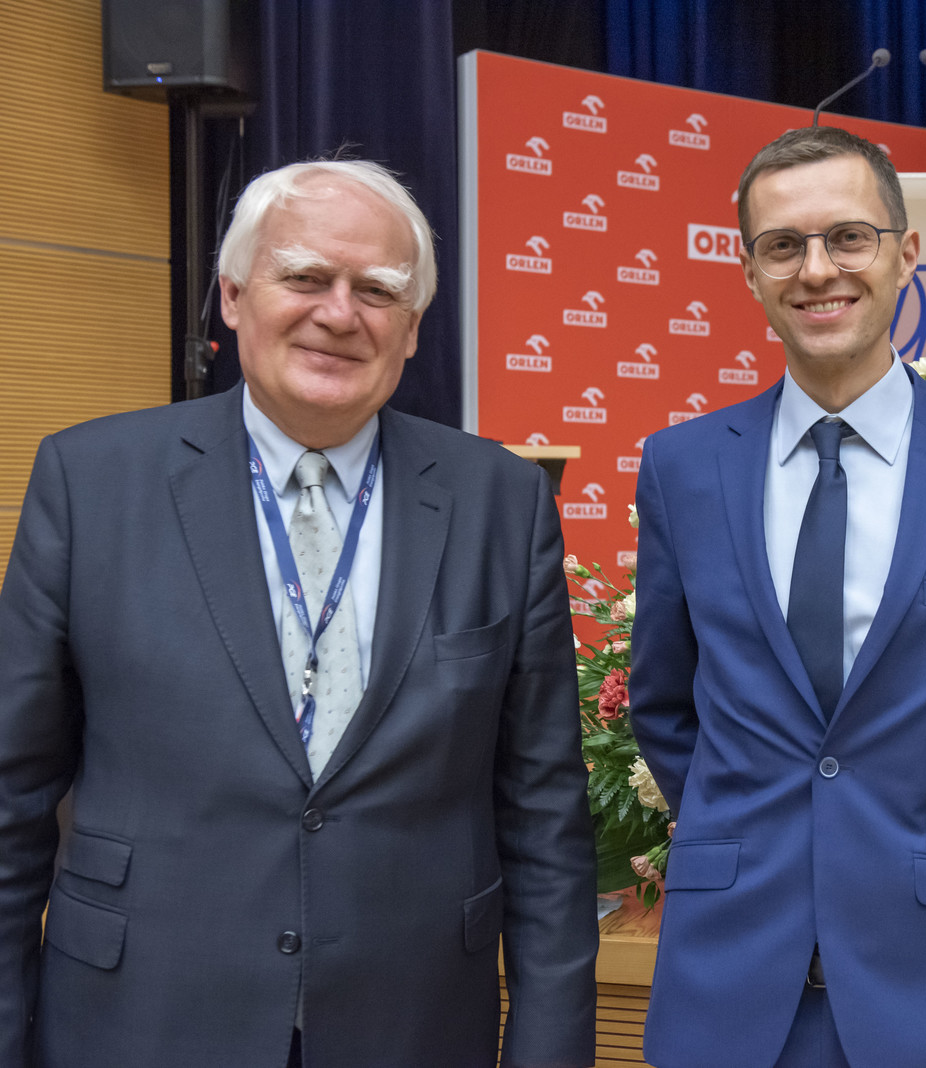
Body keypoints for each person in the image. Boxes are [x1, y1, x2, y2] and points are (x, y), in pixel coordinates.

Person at [0, 159, 597, 1068]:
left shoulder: (501, 503)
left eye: (378, 290)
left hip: (414, 1025)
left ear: (412, 328)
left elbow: (544, 815)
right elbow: (11, 797)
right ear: (234, 296)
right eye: (306, 276)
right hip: (139, 1019)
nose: (340, 314)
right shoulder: (89, 484)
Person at [628, 125, 926, 1068]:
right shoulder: (682, 467)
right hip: (728, 971)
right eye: (782, 245)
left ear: (906, 254)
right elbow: (664, 704)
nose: (816, 270)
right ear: (749, 271)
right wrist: (744, 831)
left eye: (848, 237)